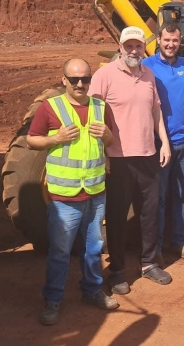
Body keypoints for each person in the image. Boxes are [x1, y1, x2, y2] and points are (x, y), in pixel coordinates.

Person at [27, 58, 119, 326]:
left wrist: (106, 134)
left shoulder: (101, 107)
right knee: (60, 252)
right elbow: (32, 140)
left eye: (86, 79)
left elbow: (111, 141)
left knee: (93, 249)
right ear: (64, 79)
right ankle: (53, 300)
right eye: (75, 79)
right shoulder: (51, 107)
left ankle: (92, 291)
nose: (81, 84)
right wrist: (55, 139)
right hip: (64, 198)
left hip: (95, 192)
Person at [88, 26, 173, 294]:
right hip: (118, 157)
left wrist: (164, 143)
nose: (134, 50)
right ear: (120, 47)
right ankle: (116, 270)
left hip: (148, 154)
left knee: (148, 213)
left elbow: (156, 110)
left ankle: (148, 263)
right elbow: (93, 115)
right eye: (129, 46)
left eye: (138, 46)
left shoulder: (148, 74)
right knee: (116, 215)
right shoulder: (105, 75)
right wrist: (102, 152)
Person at [143, 21, 184, 262]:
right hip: (160, 144)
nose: (171, 44)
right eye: (167, 40)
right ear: (158, 40)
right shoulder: (148, 66)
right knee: (158, 197)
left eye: (175, 40)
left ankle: (178, 242)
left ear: (180, 42)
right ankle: (156, 247)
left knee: (180, 194)